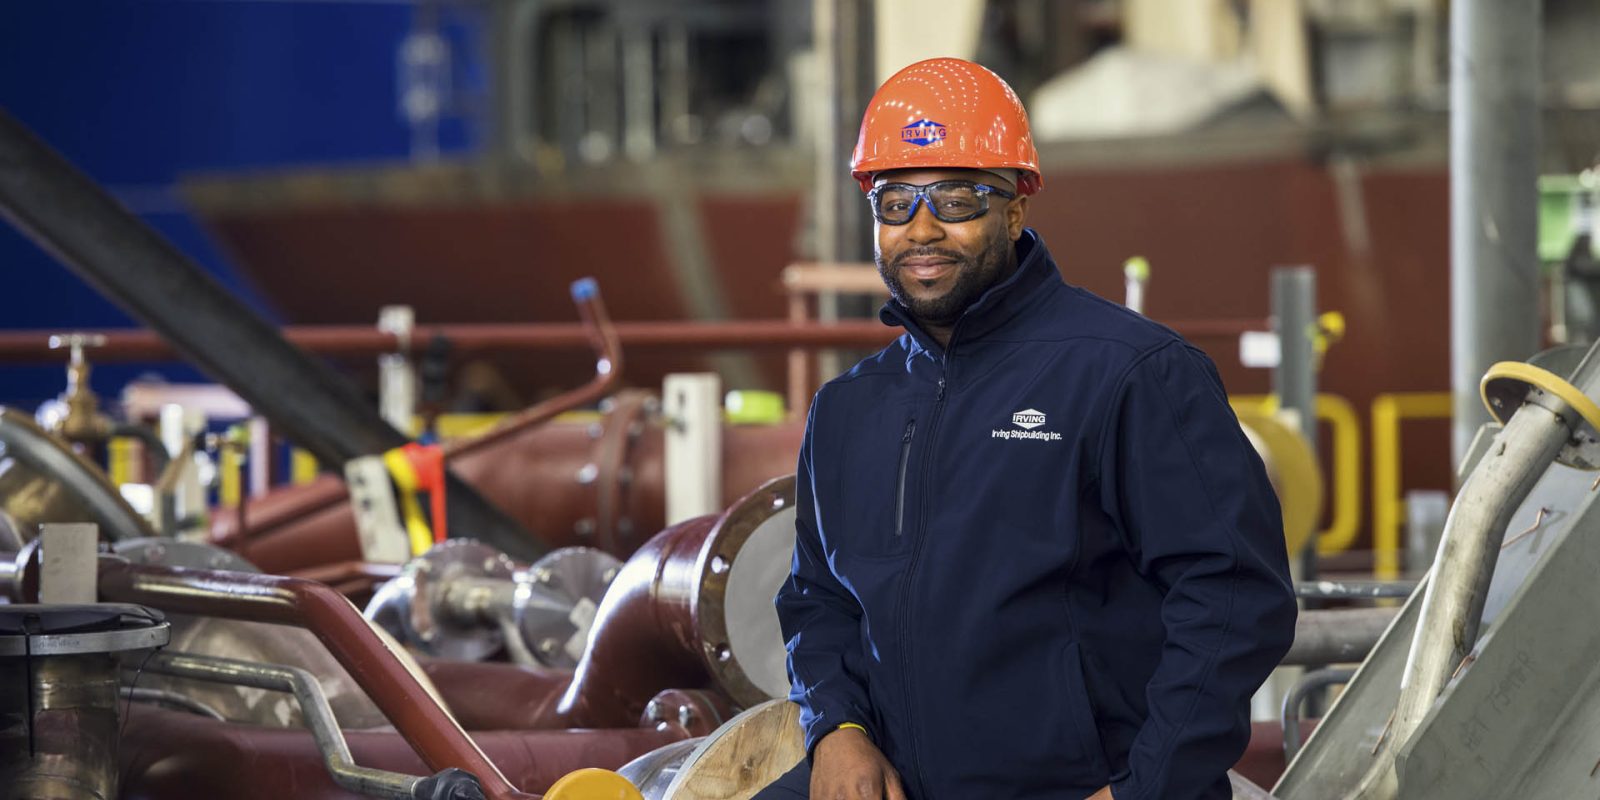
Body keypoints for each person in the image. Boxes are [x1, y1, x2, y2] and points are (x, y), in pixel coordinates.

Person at [757, 58, 1298, 800]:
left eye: (955, 200)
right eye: (896, 203)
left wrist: (1147, 788)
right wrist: (838, 730)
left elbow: (1234, 596)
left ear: (1016, 209)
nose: (922, 229)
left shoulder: (1129, 372)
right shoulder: (852, 407)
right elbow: (818, 599)